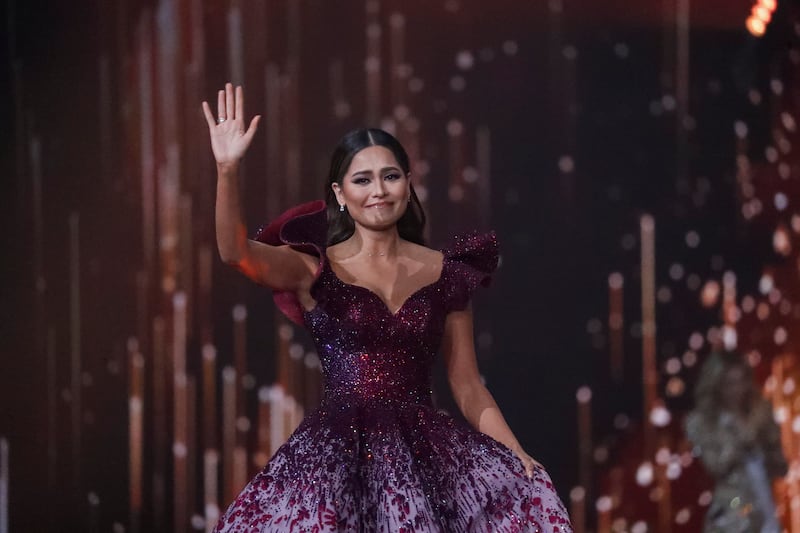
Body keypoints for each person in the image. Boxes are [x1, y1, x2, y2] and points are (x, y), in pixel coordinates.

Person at [202, 83, 572, 532]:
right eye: (362, 179)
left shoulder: (447, 271)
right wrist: (227, 170)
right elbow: (233, 253)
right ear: (340, 193)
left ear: (408, 183)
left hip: (426, 458)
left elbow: (468, 385)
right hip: (335, 460)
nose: (378, 190)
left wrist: (517, 457)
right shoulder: (312, 269)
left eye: (390, 176)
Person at [685, 350, 787, 533]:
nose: (737, 389)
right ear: (716, 385)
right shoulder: (703, 423)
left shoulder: (759, 414)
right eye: (729, 384)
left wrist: (769, 439)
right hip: (733, 508)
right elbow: (716, 466)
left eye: (741, 381)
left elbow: (780, 467)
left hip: (764, 505)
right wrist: (741, 440)